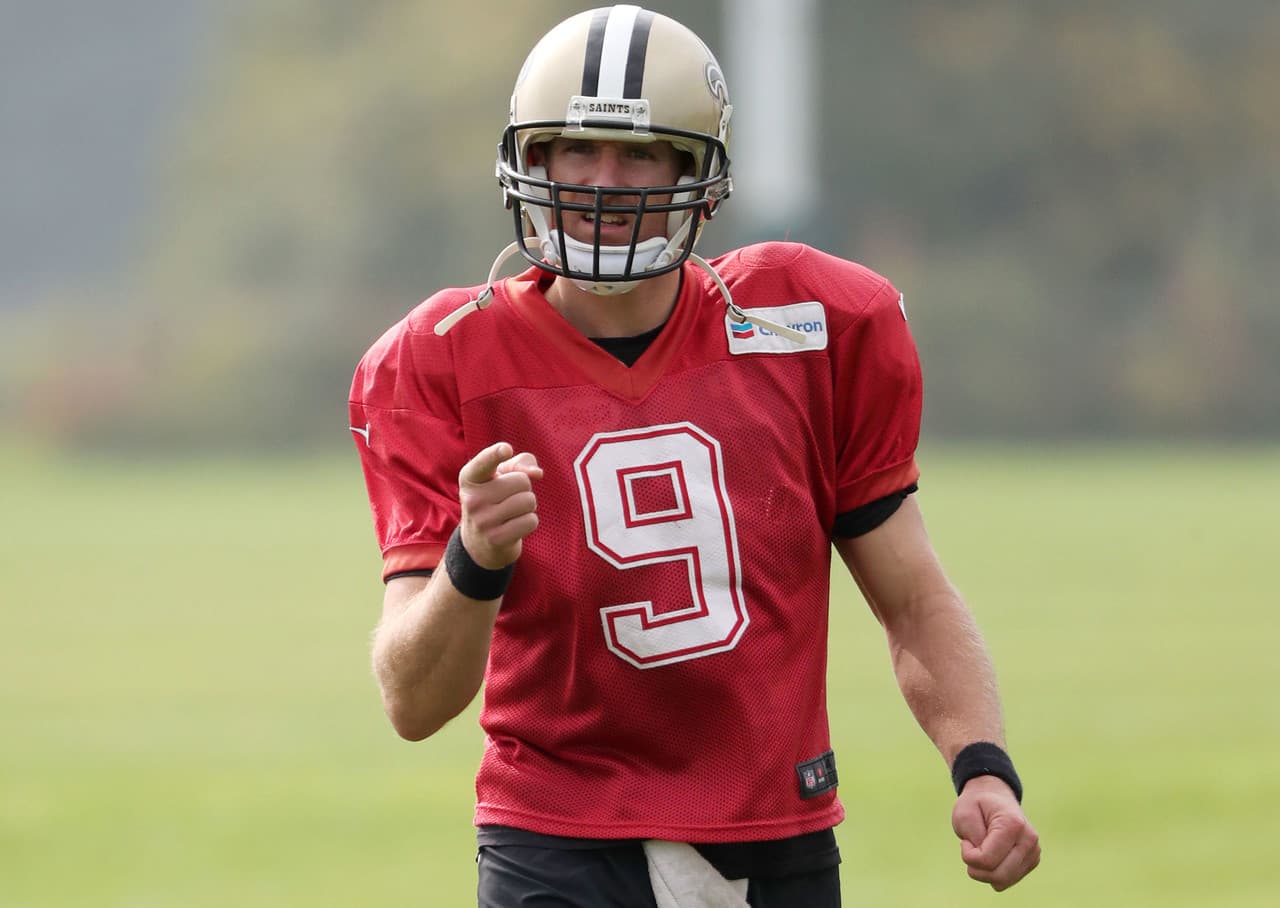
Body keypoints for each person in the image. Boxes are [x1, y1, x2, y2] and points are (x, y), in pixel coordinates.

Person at [349, 5, 1040, 905]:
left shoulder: (809, 328)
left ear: (698, 175)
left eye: (640, 154)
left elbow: (912, 599)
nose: (603, 182)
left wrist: (981, 766)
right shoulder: (440, 357)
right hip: (555, 839)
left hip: (776, 830)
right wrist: (473, 560)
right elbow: (413, 702)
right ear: (531, 162)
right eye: (575, 149)